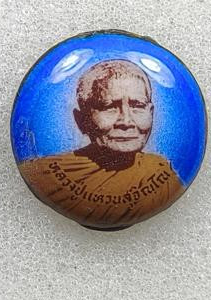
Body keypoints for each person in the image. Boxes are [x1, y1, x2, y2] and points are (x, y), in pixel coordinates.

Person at [19, 59, 183, 229]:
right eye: (109, 107)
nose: (126, 122)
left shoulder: (161, 173)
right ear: (81, 120)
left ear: (151, 113)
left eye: (138, 106)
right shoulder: (42, 174)